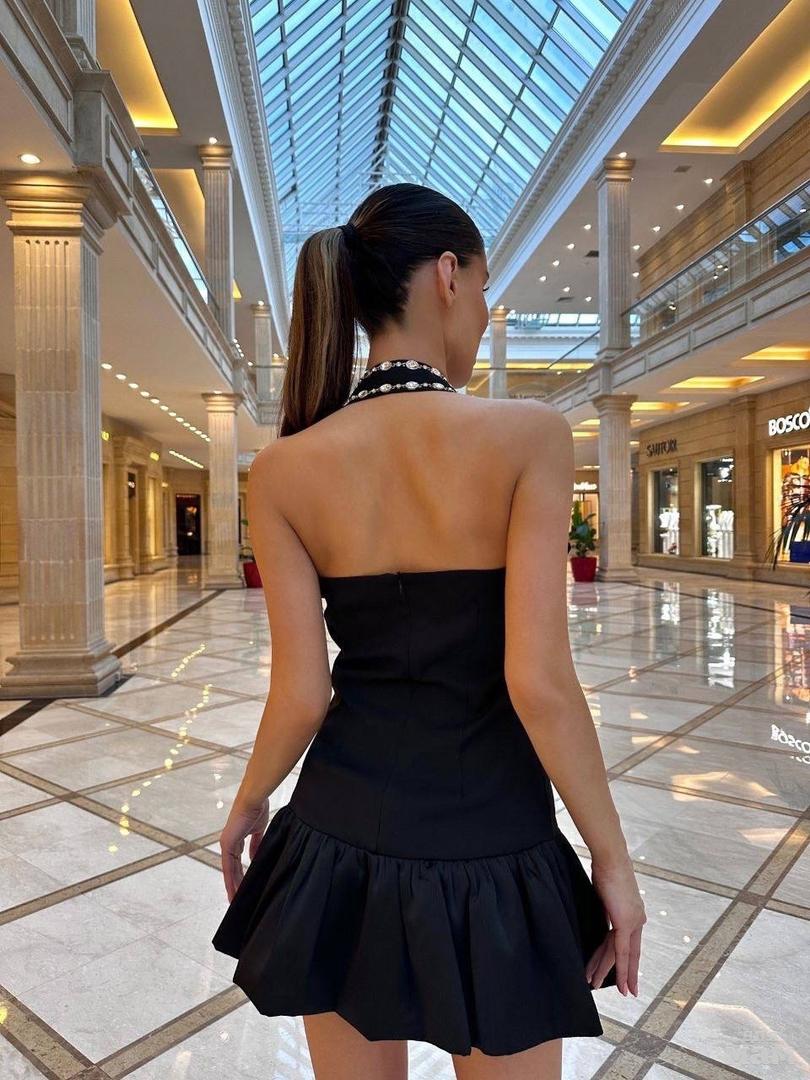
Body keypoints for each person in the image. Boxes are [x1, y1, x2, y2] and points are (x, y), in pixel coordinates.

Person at [212, 182, 645, 1080]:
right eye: (483, 287)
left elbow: (302, 693)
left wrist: (251, 799)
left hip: (336, 838)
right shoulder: (530, 437)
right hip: (493, 842)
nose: (482, 313)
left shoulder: (285, 469)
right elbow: (538, 681)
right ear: (448, 275)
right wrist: (611, 859)